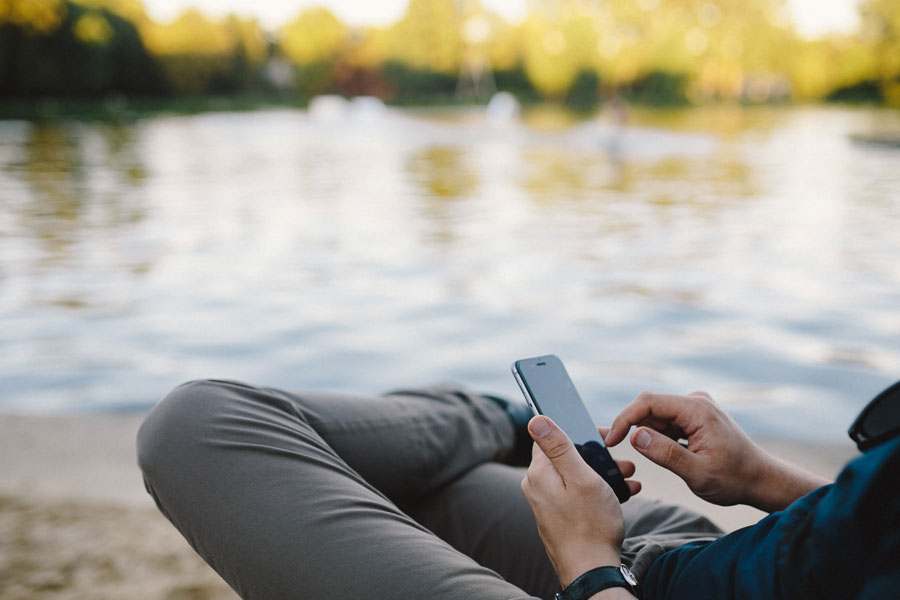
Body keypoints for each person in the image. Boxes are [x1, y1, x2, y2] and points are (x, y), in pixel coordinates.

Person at [137, 379, 899, 599]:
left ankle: (493, 415)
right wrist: (765, 481)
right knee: (414, 484)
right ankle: (495, 421)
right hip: (711, 555)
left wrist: (587, 562)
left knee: (197, 424)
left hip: (613, 579)